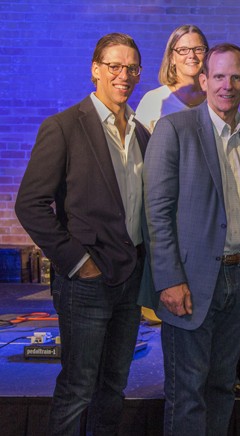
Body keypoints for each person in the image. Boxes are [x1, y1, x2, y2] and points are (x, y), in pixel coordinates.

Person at [15, 33, 150, 435]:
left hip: (130, 280)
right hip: (85, 283)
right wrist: (77, 261)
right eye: (114, 66)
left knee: (113, 387)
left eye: (131, 68)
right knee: (77, 388)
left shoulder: (142, 133)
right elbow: (30, 205)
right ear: (95, 70)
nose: (123, 75)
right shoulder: (64, 127)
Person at [142, 43, 240, 435]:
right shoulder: (175, 130)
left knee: (221, 388)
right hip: (189, 282)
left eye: (235, 77)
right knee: (187, 394)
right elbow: (157, 211)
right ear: (203, 80)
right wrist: (168, 279)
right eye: (218, 76)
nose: (226, 85)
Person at [135, 24, 208, 132]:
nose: (192, 55)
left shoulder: (215, 99)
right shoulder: (154, 100)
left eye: (198, 49)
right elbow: (139, 146)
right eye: (183, 50)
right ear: (172, 58)